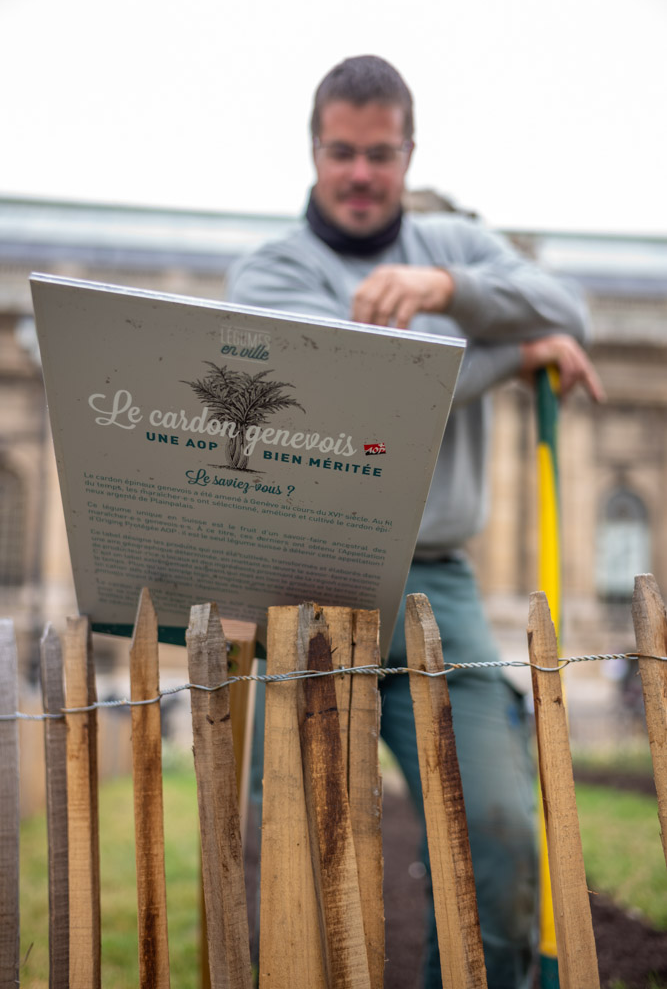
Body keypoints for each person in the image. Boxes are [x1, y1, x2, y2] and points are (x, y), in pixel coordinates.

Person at [226, 55, 603, 989]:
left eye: (380, 153)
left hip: (444, 584)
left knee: (502, 836)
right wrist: (515, 352)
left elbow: (574, 309)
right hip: (311, 584)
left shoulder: (451, 248)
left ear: (407, 152)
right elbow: (355, 393)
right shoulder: (272, 268)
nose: (361, 172)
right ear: (315, 150)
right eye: (342, 152)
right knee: (302, 856)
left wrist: (447, 292)